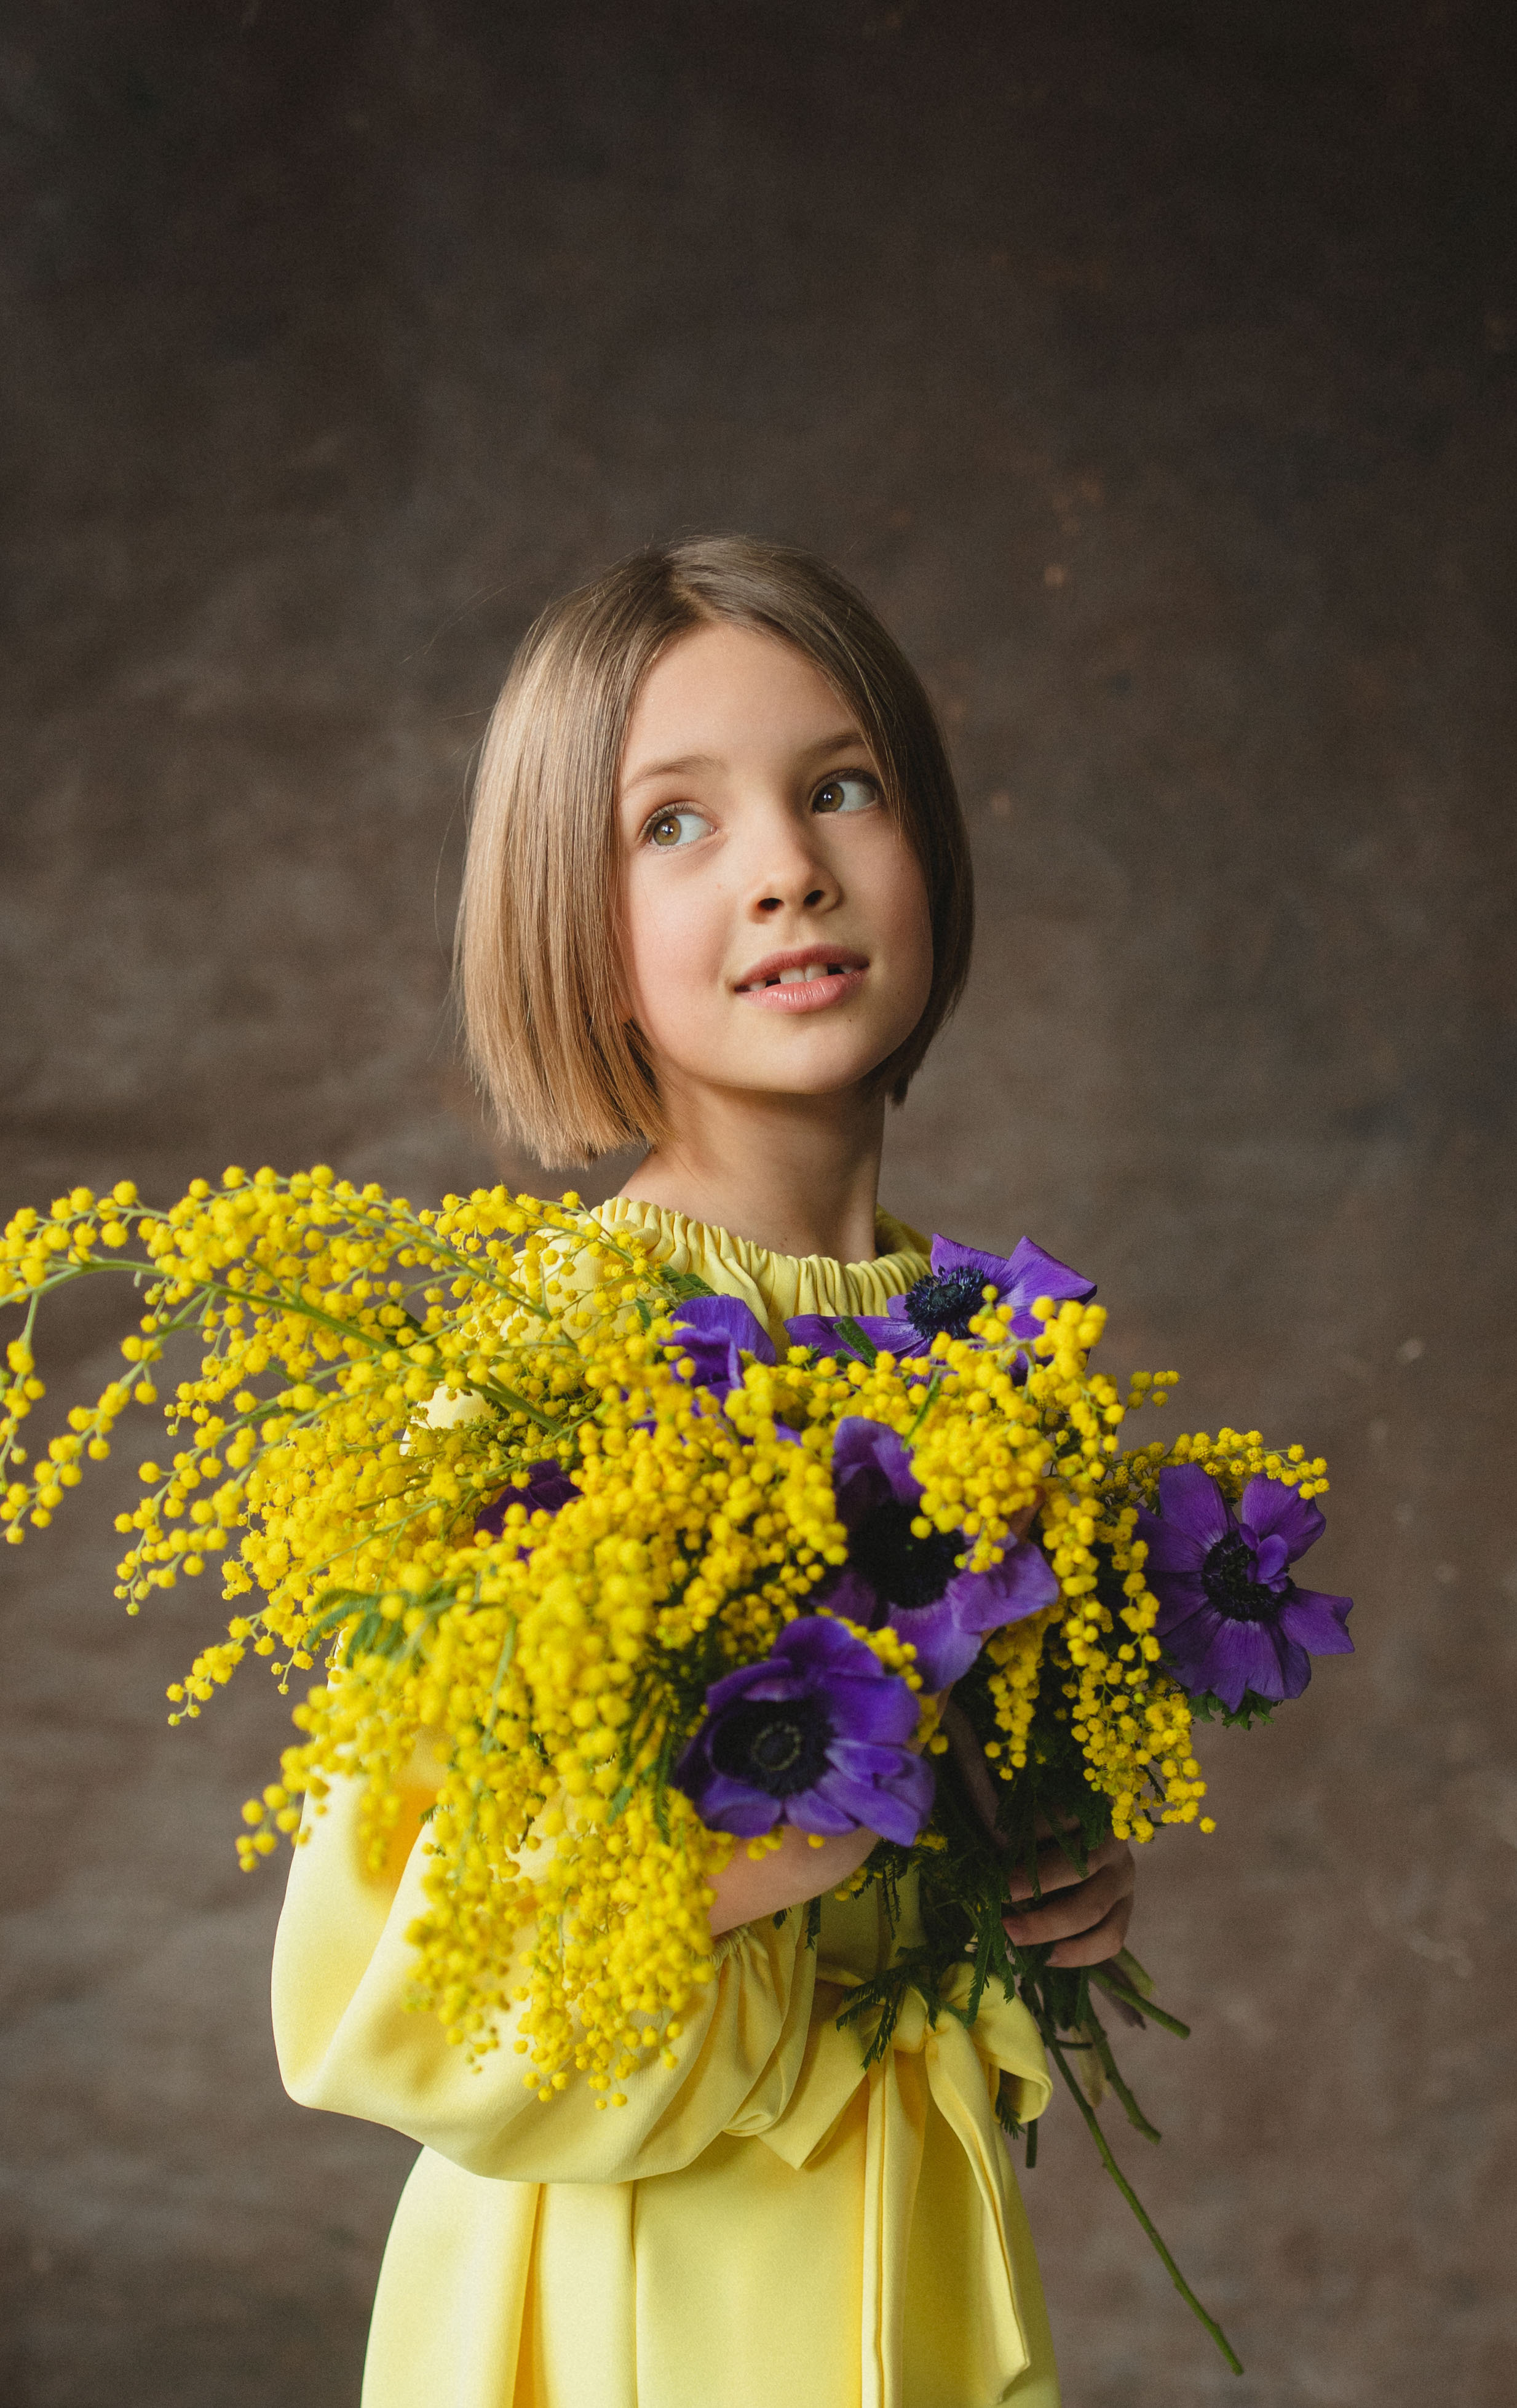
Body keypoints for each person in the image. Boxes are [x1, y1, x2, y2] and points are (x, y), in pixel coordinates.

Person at [272, 539, 1136, 2408]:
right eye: (673, 822)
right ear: (561, 921)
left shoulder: (979, 1347)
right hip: (634, 2293)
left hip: (903, 2240)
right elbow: (382, 1990)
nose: (785, 866)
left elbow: (907, 1834)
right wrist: (762, 1850)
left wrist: (1031, 1868)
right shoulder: (534, 1368)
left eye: (840, 786)